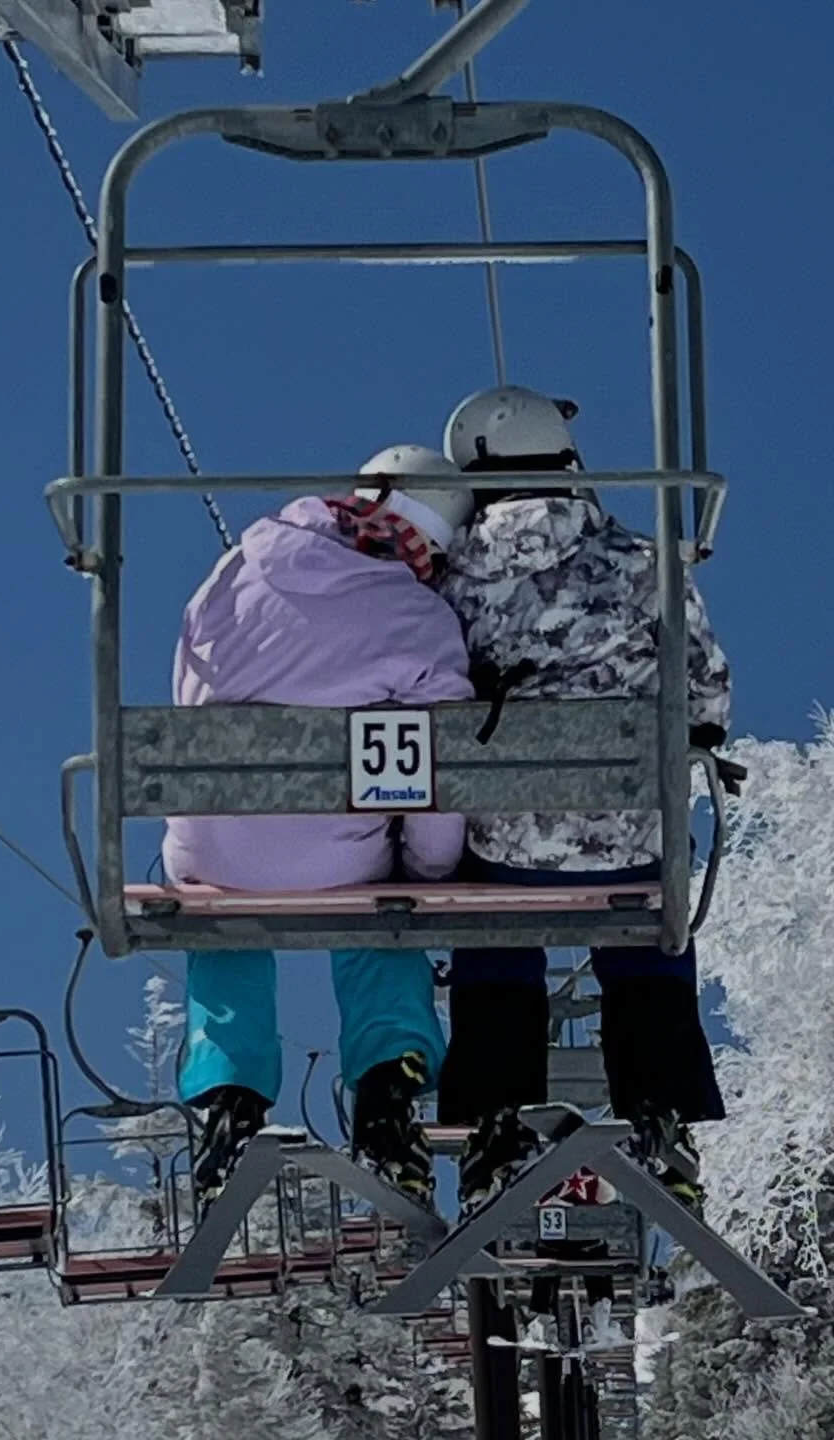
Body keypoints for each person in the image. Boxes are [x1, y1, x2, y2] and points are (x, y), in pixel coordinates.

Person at [434, 385, 731, 1244]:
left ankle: (495, 1123)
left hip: (504, 849)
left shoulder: (451, 578)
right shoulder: (648, 563)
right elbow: (707, 695)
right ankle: (661, 1109)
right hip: (628, 840)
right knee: (645, 924)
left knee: (494, 935)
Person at [163, 445, 475, 1209]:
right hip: (337, 864)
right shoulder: (420, 619)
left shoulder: (237, 567)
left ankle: (229, 1093)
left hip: (215, 846)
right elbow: (436, 769)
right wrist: (430, 873)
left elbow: (189, 696)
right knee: (382, 912)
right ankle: (387, 1085)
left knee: (220, 914)